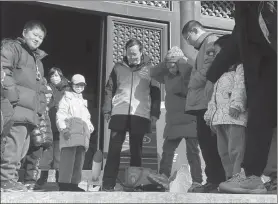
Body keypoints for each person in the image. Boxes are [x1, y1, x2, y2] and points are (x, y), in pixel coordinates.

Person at [206, 1, 277, 194]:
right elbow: (238, 41)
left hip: (269, 68)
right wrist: (212, 75)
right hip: (262, 73)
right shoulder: (246, 8)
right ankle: (253, 176)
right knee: (260, 122)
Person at [102, 38, 161, 191]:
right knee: (114, 149)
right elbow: (109, 89)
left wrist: (155, 114)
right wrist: (107, 109)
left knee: (136, 151)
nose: (132, 56)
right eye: (129, 53)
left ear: (141, 53)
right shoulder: (118, 68)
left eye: (134, 54)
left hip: (139, 114)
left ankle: (135, 184)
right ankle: (108, 184)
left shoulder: (150, 70)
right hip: (119, 113)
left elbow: (156, 93)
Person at [1, 20, 48, 192]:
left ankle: (11, 179)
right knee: (13, 144)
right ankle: (5, 178)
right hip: (16, 107)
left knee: (22, 148)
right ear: (24, 32)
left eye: (41, 38)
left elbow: (40, 88)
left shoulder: (38, 61)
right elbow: (3, 70)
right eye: (35, 35)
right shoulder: (13, 48)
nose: (37, 39)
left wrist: (40, 110)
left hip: (30, 111)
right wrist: (12, 96)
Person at [148, 46, 203, 192]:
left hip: (190, 118)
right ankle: (163, 177)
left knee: (192, 152)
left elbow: (191, 69)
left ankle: (197, 181)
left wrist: (182, 61)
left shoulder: (188, 74)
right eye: (168, 65)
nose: (171, 68)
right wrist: (168, 59)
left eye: (174, 65)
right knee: (168, 150)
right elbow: (153, 72)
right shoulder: (167, 76)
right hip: (173, 120)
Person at [181, 20, 226, 192]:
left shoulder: (210, 41)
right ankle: (214, 179)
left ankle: (217, 180)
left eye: (188, 37)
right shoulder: (204, 46)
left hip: (207, 102)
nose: (188, 42)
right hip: (202, 102)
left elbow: (210, 68)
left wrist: (192, 81)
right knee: (206, 142)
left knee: (209, 142)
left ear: (195, 30)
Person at [204, 35, 248, 183]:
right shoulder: (219, 74)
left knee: (236, 149)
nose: (216, 57)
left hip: (235, 117)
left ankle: (238, 177)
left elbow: (240, 87)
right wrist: (210, 115)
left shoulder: (239, 69)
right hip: (219, 119)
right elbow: (213, 99)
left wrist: (236, 104)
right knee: (223, 152)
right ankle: (229, 178)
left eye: (218, 53)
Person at [56, 74, 94, 191]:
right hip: (69, 135)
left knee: (79, 161)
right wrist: (63, 129)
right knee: (68, 160)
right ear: (72, 85)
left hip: (82, 137)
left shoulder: (83, 101)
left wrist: (90, 128)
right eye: (77, 84)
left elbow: (86, 119)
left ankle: (74, 184)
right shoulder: (66, 98)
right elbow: (60, 115)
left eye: (82, 85)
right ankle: (64, 184)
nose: (79, 87)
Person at [36, 67, 70, 186]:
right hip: (48, 123)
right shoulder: (46, 88)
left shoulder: (68, 89)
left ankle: (59, 177)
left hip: (62, 124)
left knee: (59, 152)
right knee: (47, 151)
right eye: (52, 75)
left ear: (61, 76)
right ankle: (43, 176)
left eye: (56, 75)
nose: (54, 78)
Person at [20, 81, 53, 190]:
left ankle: (31, 181)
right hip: (35, 134)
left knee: (36, 160)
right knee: (30, 159)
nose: (48, 97)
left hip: (41, 137)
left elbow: (47, 126)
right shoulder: (37, 105)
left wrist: (47, 139)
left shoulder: (47, 109)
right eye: (46, 95)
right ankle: (28, 181)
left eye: (50, 95)